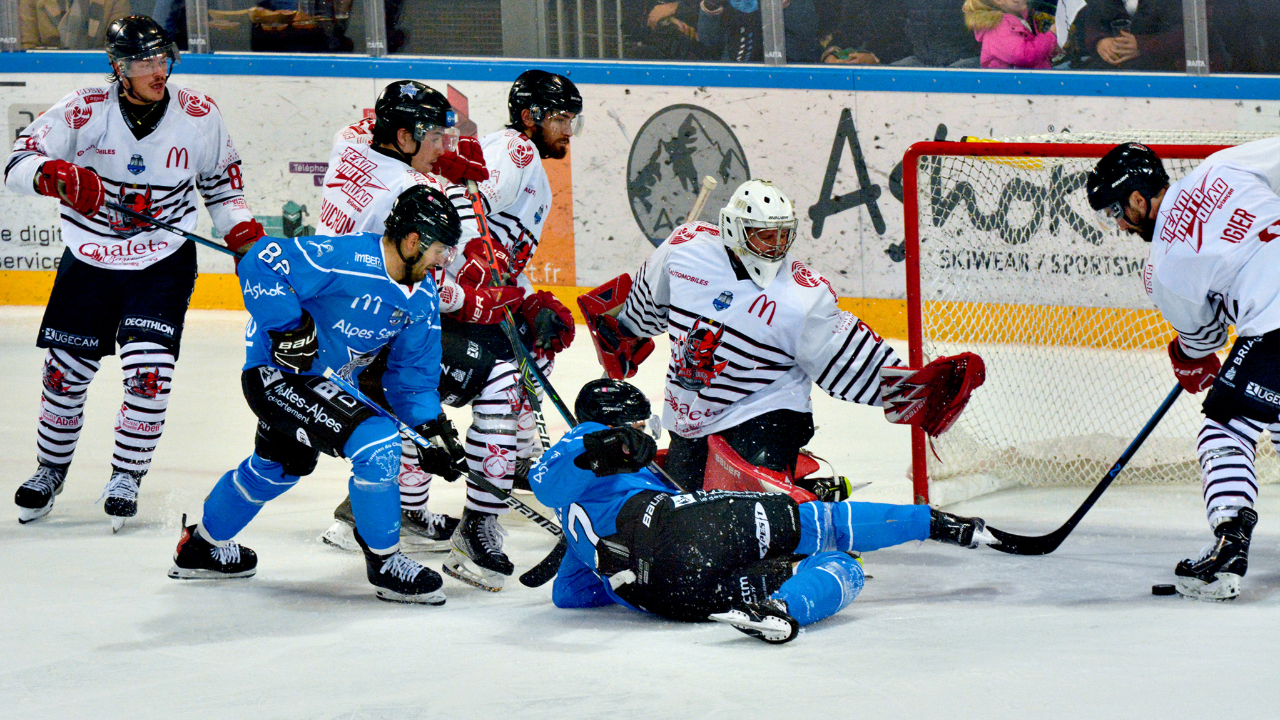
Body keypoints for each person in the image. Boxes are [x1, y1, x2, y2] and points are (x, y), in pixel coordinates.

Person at [6, 15, 265, 531]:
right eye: (144, 61)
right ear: (118, 67)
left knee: (149, 375)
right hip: (89, 255)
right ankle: (49, 471)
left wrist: (238, 229)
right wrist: (50, 175)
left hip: (161, 258)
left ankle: (126, 476)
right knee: (64, 373)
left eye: (162, 58)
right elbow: (15, 163)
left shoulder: (199, 114)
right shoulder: (84, 109)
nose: (157, 70)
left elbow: (222, 186)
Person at [579, 179, 985, 493]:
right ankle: (805, 489)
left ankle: (788, 503)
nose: (775, 246)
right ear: (734, 230)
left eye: (782, 235)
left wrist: (912, 389)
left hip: (765, 412)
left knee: (744, 516)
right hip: (691, 413)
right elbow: (647, 302)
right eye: (763, 235)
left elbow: (844, 353)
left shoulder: (802, 294)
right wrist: (621, 333)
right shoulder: (684, 250)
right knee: (685, 506)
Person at [167, 185, 466, 604]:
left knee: (277, 468)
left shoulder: (423, 297)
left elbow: (412, 377)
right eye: (441, 250)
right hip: (276, 373)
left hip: (324, 383)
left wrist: (431, 430)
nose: (442, 260)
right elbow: (259, 262)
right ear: (414, 240)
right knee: (377, 443)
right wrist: (288, 327)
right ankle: (385, 563)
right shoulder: (346, 257)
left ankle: (200, 548)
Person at [531, 379, 994, 644]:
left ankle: (778, 611)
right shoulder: (586, 441)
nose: (645, 435)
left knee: (801, 569)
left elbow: (567, 596)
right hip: (676, 525)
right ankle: (933, 522)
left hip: (664, 597)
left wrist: (595, 555)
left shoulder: (589, 500)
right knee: (821, 528)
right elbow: (545, 480)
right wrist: (599, 445)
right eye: (638, 426)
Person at [1086, 139, 1280, 601]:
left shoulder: (1163, 267)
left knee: (1225, 428)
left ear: (1137, 198)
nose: (1116, 224)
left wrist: (1188, 358)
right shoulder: (1223, 166)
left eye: (1114, 210)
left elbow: (1205, 341)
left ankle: (1229, 548)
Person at [314, 80, 493, 554]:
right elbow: (425, 279)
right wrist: (475, 302)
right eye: (433, 136)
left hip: (324, 309)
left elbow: (363, 126)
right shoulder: (408, 188)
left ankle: (385, 510)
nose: (441, 147)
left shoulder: (349, 143)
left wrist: (438, 159)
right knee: (460, 377)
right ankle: (367, 520)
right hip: (361, 322)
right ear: (403, 136)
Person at [430, 69, 580, 592]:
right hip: (444, 301)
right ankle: (479, 520)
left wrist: (523, 298)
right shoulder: (515, 151)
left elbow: (499, 248)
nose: (567, 129)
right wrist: (475, 276)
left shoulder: (526, 159)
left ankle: (508, 464)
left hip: (469, 298)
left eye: (570, 119)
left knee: (538, 346)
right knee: (501, 383)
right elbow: (455, 206)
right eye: (559, 117)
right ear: (528, 116)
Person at [963, 0, 1058, 69]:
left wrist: (1050, 50)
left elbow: (1033, 48)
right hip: (1014, 88)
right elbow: (1024, 56)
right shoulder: (998, 27)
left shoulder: (1019, 19)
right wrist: (1051, 36)